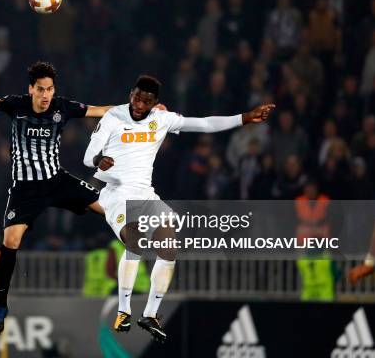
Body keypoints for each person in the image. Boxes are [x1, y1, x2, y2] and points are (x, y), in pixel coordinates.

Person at [0, 61, 113, 335]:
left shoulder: (63, 107)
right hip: (25, 190)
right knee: (10, 241)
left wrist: (143, 113)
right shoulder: (17, 106)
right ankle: (0, 305)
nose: (46, 94)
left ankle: (149, 235)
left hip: (57, 181)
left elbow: (101, 111)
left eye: (49, 89)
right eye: (40, 89)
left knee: (109, 209)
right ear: (31, 90)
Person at [83, 75, 274, 341]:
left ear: (155, 103)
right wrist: (99, 160)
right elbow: (87, 156)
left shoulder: (161, 119)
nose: (140, 104)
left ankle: (150, 314)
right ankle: (123, 310)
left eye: (147, 101)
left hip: (146, 194)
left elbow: (205, 124)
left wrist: (244, 117)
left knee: (170, 244)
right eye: (137, 98)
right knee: (135, 239)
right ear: (131, 94)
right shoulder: (113, 117)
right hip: (116, 194)